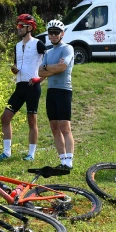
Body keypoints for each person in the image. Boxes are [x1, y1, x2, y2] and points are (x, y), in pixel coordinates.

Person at [0, 14, 46, 162]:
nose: (17, 28)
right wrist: (15, 69)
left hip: (33, 86)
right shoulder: (17, 46)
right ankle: (7, 152)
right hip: (19, 87)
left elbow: (48, 63)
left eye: (21, 26)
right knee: (5, 117)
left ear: (30, 28)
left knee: (32, 120)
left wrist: (40, 78)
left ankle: (31, 153)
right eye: (17, 25)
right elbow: (18, 64)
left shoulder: (38, 43)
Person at [38, 19, 76, 170]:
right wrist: (49, 68)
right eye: (50, 33)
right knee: (54, 127)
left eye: (56, 33)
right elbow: (40, 72)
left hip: (64, 90)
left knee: (64, 126)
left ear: (62, 34)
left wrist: (48, 68)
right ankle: (62, 160)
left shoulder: (67, 48)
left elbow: (62, 67)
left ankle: (69, 161)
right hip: (51, 91)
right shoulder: (48, 52)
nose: (53, 35)